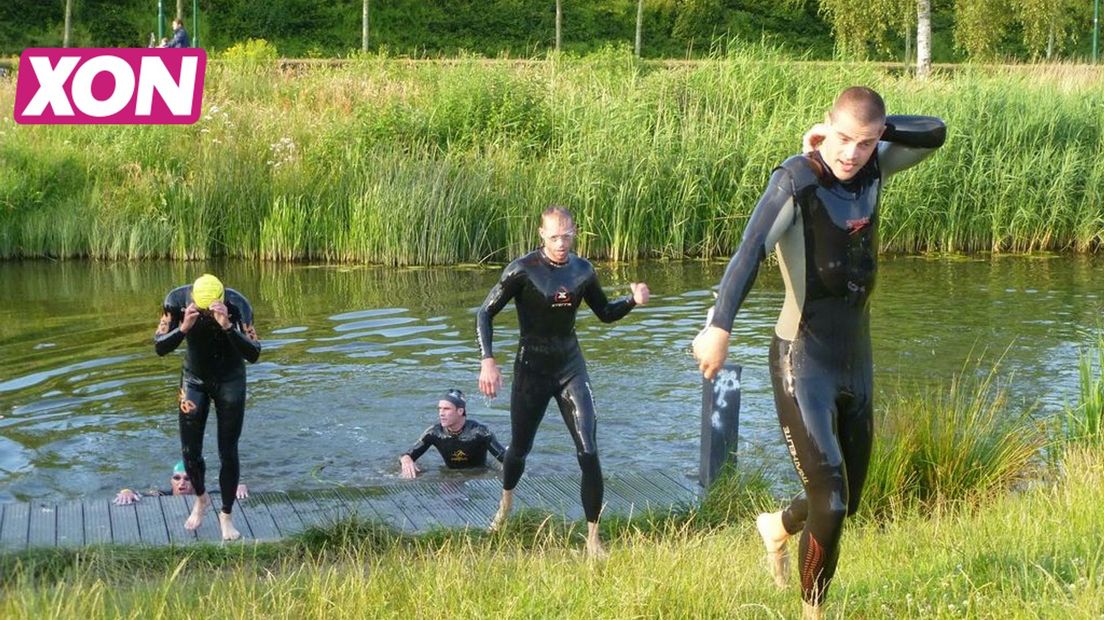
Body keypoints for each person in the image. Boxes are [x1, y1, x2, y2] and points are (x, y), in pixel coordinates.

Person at [692, 87, 946, 618]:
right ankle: (813, 611)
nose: (850, 154)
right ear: (824, 126)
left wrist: (880, 132)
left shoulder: (875, 165)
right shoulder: (796, 180)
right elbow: (748, 252)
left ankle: (776, 525)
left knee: (845, 498)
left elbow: (935, 132)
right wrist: (719, 325)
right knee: (830, 499)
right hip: (802, 360)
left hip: (857, 356)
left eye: (864, 142)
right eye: (843, 138)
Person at [477, 205, 650, 557]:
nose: (561, 243)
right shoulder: (523, 270)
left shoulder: (582, 270)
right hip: (531, 369)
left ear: (575, 233)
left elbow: (604, 313)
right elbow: (485, 311)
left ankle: (593, 539)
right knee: (519, 450)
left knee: (588, 449)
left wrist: (632, 300)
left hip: (570, 366)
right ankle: (505, 505)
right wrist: (488, 360)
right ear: (541, 235)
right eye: (554, 236)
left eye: (567, 236)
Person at [154, 273, 261, 541]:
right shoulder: (176, 301)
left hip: (230, 380)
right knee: (190, 450)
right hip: (194, 380)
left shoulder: (238, 305)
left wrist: (227, 325)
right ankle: (201, 498)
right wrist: (184, 328)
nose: (205, 313)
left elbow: (254, 353)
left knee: (228, 450)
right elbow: (159, 347)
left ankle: (226, 515)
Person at [399, 389, 505, 478]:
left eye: (446, 409)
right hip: (451, 472)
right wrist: (406, 459)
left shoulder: (480, 432)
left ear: (460, 411)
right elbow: (406, 455)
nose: (441, 413)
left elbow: (505, 458)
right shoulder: (434, 433)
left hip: (479, 472)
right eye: (440, 409)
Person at [113, 461, 249, 506]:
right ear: (171, 481)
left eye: (188, 479)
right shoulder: (161, 495)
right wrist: (126, 492)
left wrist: (239, 486)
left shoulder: (207, 493)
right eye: (177, 478)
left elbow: (230, 488)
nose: (181, 483)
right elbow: (136, 493)